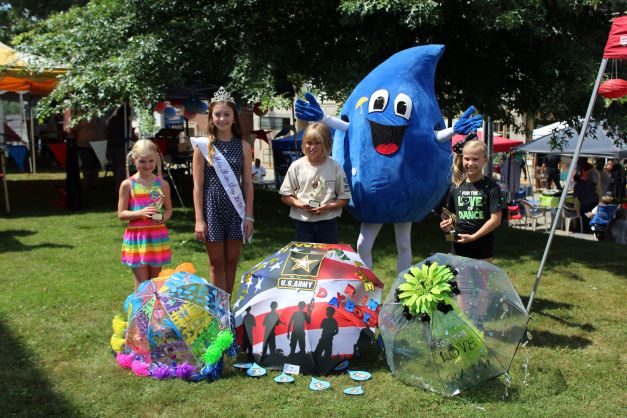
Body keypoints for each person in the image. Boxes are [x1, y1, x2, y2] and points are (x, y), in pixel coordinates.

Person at [192, 87, 254, 294]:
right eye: (217, 114)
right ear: (211, 117)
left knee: (231, 262)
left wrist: (249, 217)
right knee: (216, 264)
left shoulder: (244, 147)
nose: (222, 118)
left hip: (236, 209)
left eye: (227, 114)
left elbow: (247, 184)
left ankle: (227, 308)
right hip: (212, 208)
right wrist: (199, 219)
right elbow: (198, 187)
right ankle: (219, 311)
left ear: (234, 117)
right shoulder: (203, 147)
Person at [279, 123, 351, 244]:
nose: (312, 147)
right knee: (305, 260)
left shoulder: (335, 167)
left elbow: (345, 199)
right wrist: (300, 204)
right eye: (309, 143)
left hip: (328, 224)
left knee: (327, 260)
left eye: (317, 143)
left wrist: (327, 206)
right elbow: (285, 196)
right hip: (303, 224)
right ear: (304, 144)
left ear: (326, 144)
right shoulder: (296, 166)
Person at [117, 139, 172, 291]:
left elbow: (168, 211)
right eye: (142, 161)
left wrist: (159, 218)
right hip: (137, 237)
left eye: (151, 161)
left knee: (156, 283)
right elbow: (121, 214)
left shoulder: (162, 184)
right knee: (142, 285)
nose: (147, 165)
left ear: (157, 159)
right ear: (134, 160)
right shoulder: (128, 185)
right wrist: (140, 213)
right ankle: (140, 313)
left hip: (156, 236)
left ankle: (155, 314)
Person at [440, 137, 505, 261]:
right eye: (467, 158)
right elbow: (449, 215)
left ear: (485, 159)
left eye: (475, 159)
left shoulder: (492, 188)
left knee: (480, 281)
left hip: (482, 249)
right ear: (462, 158)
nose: (470, 163)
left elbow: (496, 220)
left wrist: (474, 237)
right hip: (458, 247)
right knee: (459, 280)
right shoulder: (456, 187)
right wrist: (446, 226)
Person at [107, 104, 135, 195]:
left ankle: (118, 187)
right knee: (121, 169)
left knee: (116, 169)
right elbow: (131, 134)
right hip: (121, 146)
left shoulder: (112, 120)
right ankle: (120, 189)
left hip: (111, 146)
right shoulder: (126, 121)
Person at [75, 116, 107, 188]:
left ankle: (94, 183)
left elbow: (105, 127)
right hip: (84, 144)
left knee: (95, 165)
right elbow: (75, 128)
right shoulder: (81, 115)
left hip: (99, 143)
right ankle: (87, 183)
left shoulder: (100, 115)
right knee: (86, 165)